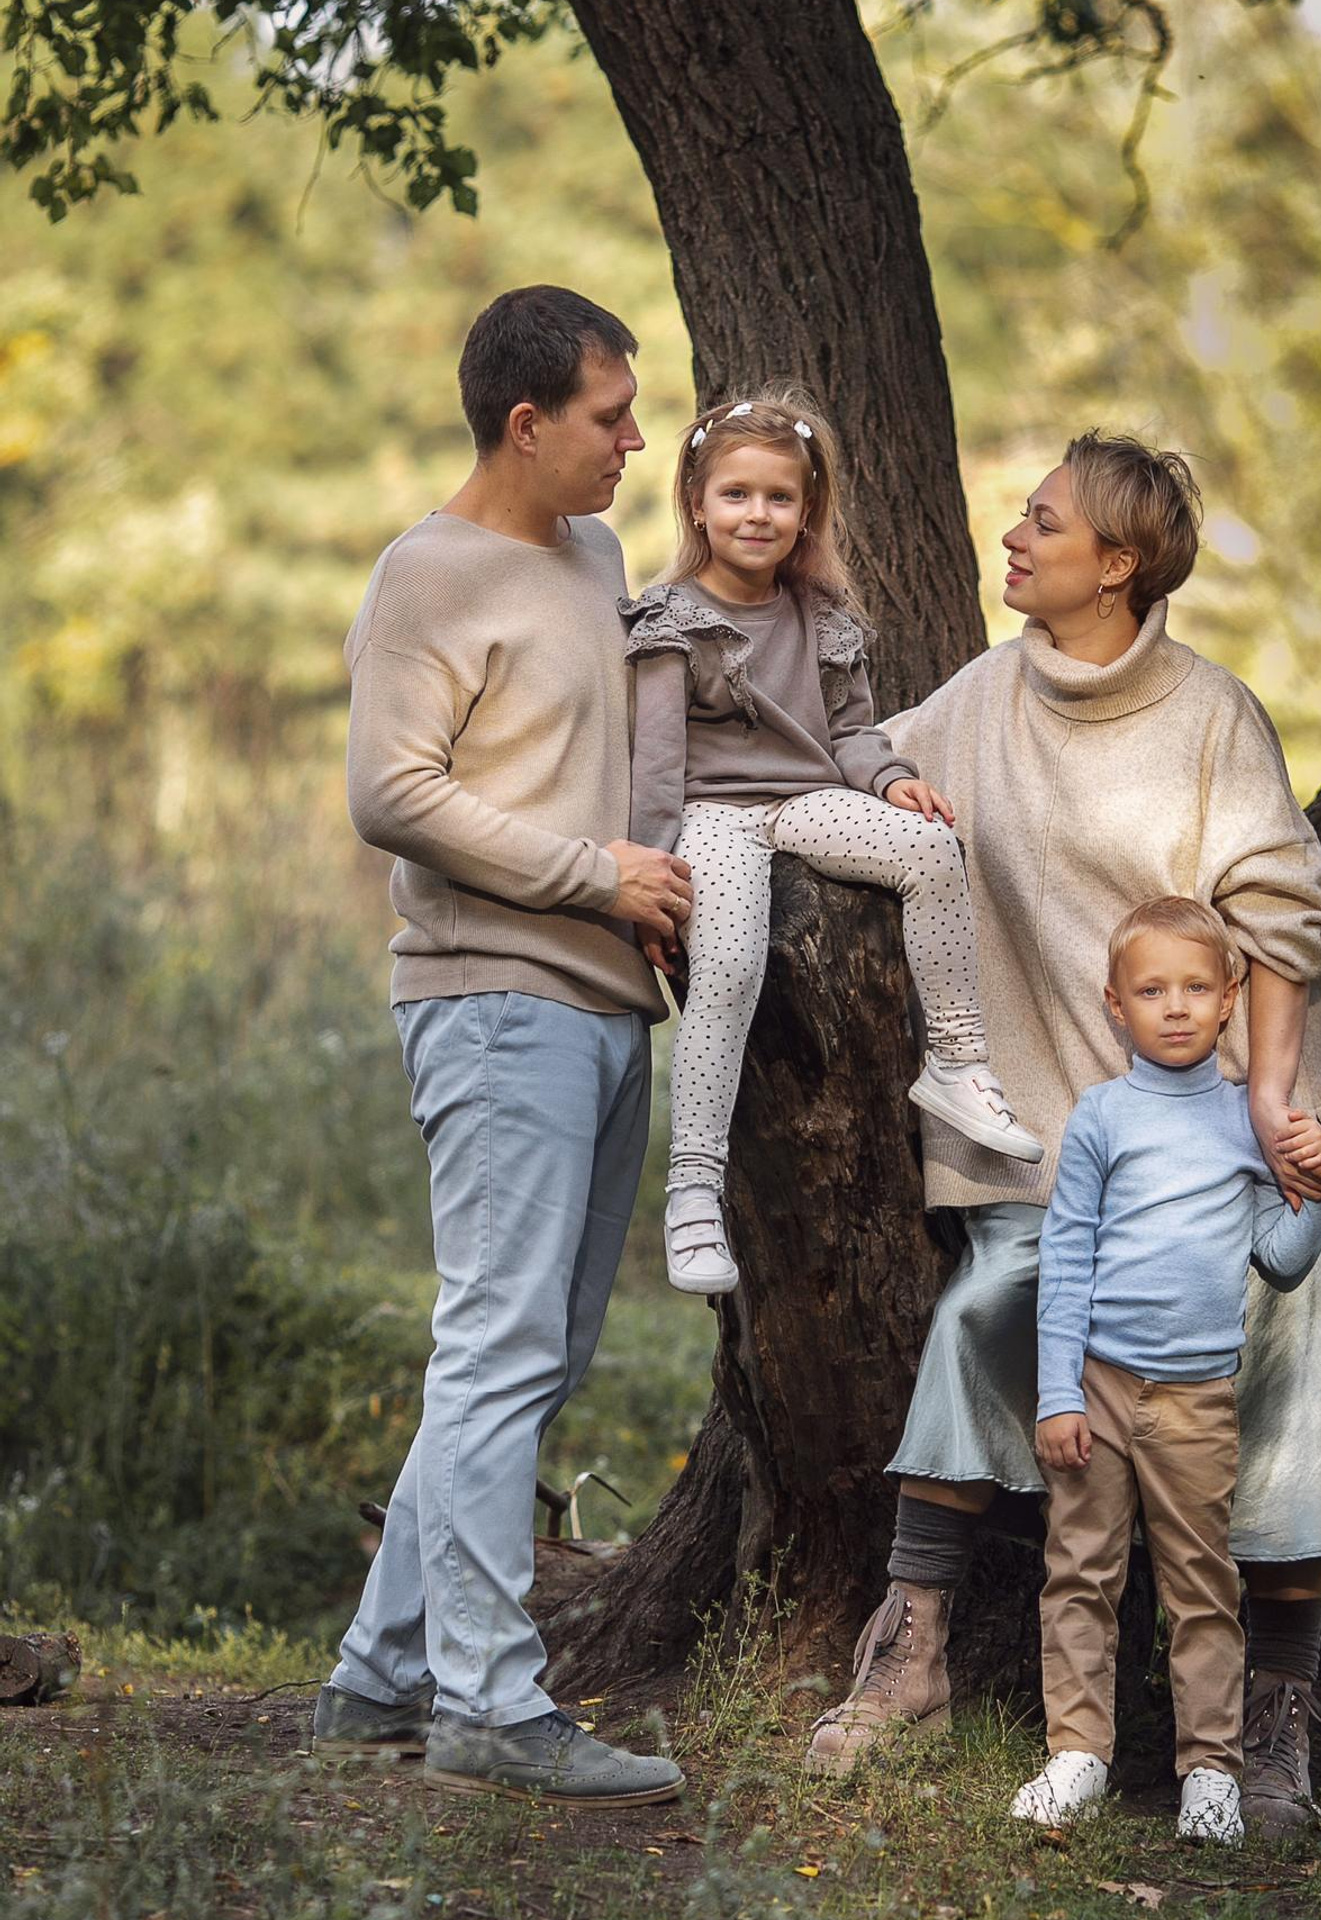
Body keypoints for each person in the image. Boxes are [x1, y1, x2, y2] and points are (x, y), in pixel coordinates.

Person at [805, 432, 1321, 1839]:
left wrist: (1266, 1111)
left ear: (1118, 562)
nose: (1014, 536)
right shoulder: (989, 695)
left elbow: (1298, 912)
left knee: (1295, 1337)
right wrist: (885, 798)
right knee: (986, 1309)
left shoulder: (1209, 718)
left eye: (1044, 521)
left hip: (1221, 1148)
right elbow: (866, 766)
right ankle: (912, 1656)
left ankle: (1274, 1722)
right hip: (1060, 1148)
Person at [310, 286, 689, 1807]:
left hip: (603, 1005)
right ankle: (486, 1703)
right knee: (500, 1347)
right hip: (490, 1002)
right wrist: (594, 874)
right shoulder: (427, 574)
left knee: (537, 1351)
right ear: (527, 424)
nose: (634, 439)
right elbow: (392, 793)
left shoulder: (594, 556)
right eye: (611, 415)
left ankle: (380, 1674)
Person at [621, 389, 1042, 1296]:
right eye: (736, 495)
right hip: (712, 815)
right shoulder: (669, 621)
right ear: (696, 502)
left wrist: (892, 783)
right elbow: (655, 768)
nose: (757, 515)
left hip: (807, 799)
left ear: (807, 511)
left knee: (930, 851)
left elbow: (851, 734)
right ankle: (694, 1189)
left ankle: (960, 1066)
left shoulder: (822, 616)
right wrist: (653, 885)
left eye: (779, 497)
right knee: (730, 967)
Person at [1013, 897, 1321, 1845]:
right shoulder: (1102, 1117)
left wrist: (1318, 1186)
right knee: (1079, 1571)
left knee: (1202, 1588)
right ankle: (1078, 1752)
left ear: (1232, 999)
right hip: (1101, 1390)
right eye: (1151, 990)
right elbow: (1066, 1258)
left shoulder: (1251, 1122)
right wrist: (1058, 1394)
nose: (1175, 1007)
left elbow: (1279, 1257)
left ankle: (1210, 1771)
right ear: (1114, 1005)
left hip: (1198, 1397)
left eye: (1197, 988)